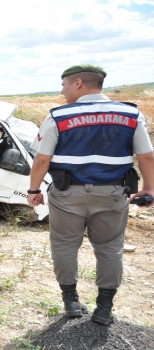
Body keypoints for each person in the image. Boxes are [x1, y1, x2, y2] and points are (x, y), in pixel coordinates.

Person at [28, 64, 154, 325]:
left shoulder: (58, 117)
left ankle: (71, 302)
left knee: (64, 245)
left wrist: (33, 190)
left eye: (63, 84)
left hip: (67, 194)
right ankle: (104, 308)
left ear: (78, 83)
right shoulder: (131, 114)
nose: (62, 91)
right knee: (109, 249)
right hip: (112, 193)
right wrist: (149, 188)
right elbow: (147, 156)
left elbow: (41, 160)